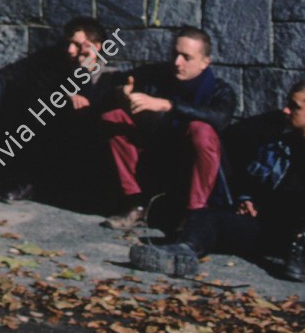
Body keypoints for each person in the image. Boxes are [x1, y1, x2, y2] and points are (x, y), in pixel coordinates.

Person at [137, 81, 305, 281]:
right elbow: (252, 182)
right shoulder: (278, 144)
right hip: (273, 229)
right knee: (207, 216)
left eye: (294, 106)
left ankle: (299, 254)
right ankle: (184, 251)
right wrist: (247, 199)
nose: (285, 110)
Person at [99, 27, 238, 231]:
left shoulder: (220, 90)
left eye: (186, 57)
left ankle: (195, 215)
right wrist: (122, 92)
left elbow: (220, 118)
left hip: (192, 165)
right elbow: (115, 81)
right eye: (175, 54)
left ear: (204, 62)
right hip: (157, 156)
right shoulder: (158, 76)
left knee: (201, 129)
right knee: (114, 118)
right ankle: (137, 205)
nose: (177, 63)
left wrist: (167, 105)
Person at [0, 17, 115, 204]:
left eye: (78, 45)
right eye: (69, 44)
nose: (70, 50)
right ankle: (27, 183)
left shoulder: (107, 75)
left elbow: (88, 102)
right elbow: (34, 86)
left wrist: (84, 69)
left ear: (96, 47)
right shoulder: (56, 63)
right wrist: (65, 95)